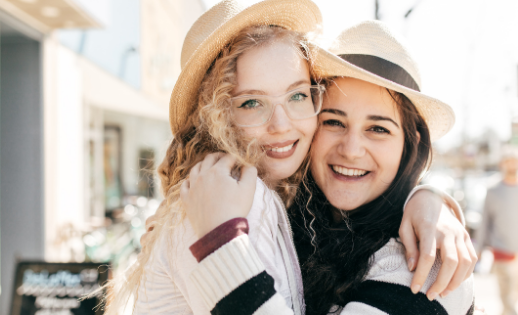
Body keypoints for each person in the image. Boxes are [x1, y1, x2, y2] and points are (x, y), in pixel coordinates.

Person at [104, 1, 475, 314]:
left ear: (411, 144)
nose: (350, 148)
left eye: (378, 129)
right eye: (333, 121)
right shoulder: (242, 204)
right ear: (216, 115)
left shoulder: (431, 258)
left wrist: (428, 198)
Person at [475, 146, 518, 315]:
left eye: (514, 161)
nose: (511, 165)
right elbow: (485, 221)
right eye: (507, 162)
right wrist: (479, 248)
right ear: (502, 164)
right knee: (508, 301)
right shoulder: (493, 190)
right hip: (502, 251)